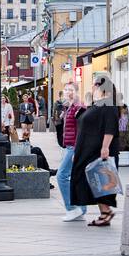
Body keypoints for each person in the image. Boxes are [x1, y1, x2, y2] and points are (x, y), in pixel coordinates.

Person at [71, 73, 122, 228]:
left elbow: (110, 127)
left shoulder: (108, 105)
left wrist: (105, 147)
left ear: (101, 86)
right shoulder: (98, 103)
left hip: (98, 151)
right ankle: (104, 212)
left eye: (94, 84)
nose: (92, 87)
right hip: (88, 150)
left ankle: (106, 212)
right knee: (95, 181)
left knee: (101, 181)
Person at [53, 82, 85, 221]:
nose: (67, 92)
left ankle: (72, 209)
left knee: (61, 176)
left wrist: (77, 150)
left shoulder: (78, 106)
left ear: (77, 91)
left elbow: (82, 130)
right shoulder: (70, 106)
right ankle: (81, 210)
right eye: (66, 89)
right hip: (70, 146)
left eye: (71, 90)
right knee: (75, 178)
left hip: (74, 148)